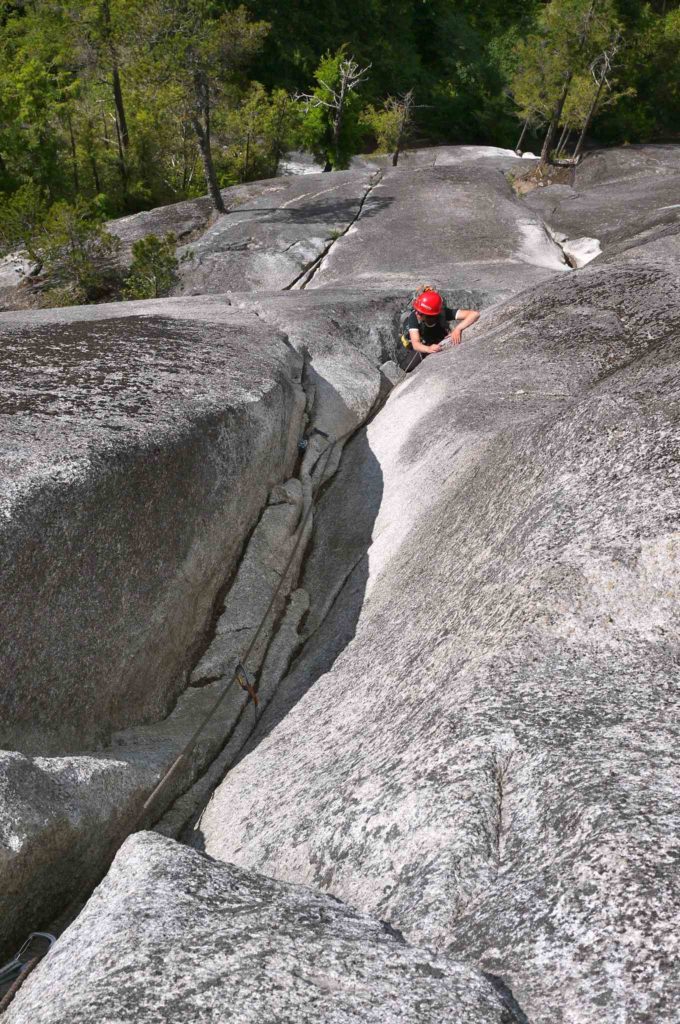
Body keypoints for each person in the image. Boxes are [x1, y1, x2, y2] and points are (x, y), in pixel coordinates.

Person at [398, 287, 480, 372]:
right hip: (424, 344)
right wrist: (428, 349)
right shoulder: (414, 317)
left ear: (428, 314)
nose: (416, 312)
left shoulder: (442, 313)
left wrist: (458, 328)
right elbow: (416, 344)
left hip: (439, 339)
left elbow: (474, 314)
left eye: (419, 312)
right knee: (407, 367)